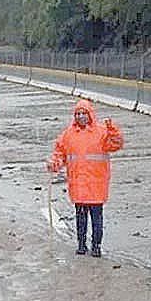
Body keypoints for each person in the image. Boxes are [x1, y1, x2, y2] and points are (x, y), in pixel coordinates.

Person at [46, 99, 123, 257]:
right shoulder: (68, 134)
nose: (81, 116)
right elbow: (60, 152)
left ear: (90, 114)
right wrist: (55, 163)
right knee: (80, 217)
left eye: (84, 113)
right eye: (78, 114)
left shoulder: (101, 132)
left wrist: (112, 130)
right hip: (79, 184)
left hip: (96, 184)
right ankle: (81, 244)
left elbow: (115, 144)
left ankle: (96, 246)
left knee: (96, 218)